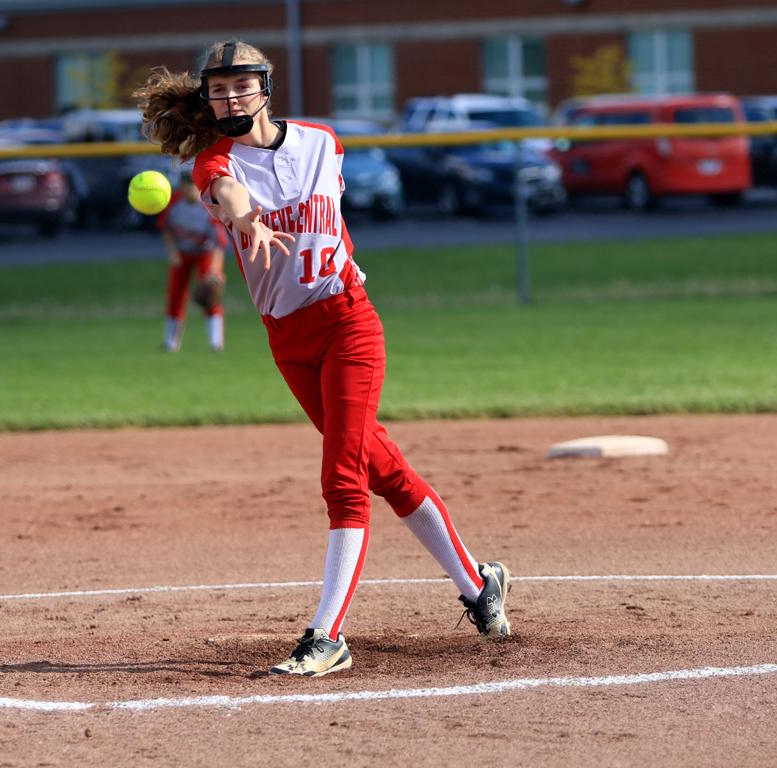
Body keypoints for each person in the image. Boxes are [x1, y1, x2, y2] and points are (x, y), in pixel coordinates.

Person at [135, 40, 512, 677]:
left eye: (242, 85)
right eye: (218, 89)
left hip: (348, 322)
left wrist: (271, 224)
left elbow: (316, 203)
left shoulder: (322, 141)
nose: (231, 97)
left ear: (265, 88)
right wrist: (247, 220)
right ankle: (481, 585)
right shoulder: (213, 163)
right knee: (385, 471)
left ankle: (327, 635)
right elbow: (226, 191)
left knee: (343, 477)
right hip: (288, 339)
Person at [157, 169, 227, 352]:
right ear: (182, 186)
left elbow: (219, 243)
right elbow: (166, 229)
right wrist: (172, 252)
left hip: (205, 253)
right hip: (182, 253)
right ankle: (171, 342)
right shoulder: (174, 202)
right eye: (187, 186)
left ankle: (216, 342)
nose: (190, 191)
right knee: (175, 295)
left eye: (194, 186)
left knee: (209, 294)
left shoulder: (208, 206)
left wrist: (215, 270)